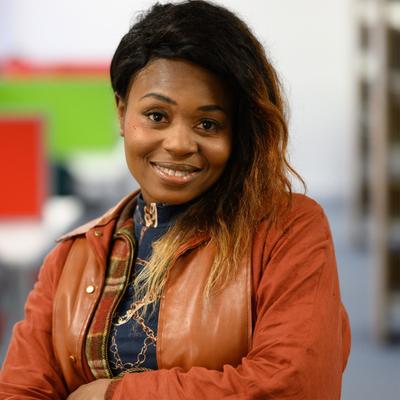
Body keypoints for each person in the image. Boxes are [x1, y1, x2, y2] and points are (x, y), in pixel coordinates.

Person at [0, 1, 351, 399]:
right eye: (156, 116)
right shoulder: (71, 259)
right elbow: (20, 390)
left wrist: (113, 395)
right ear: (121, 112)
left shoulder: (287, 231)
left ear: (238, 132)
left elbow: (297, 385)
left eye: (208, 124)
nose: (180, 144)